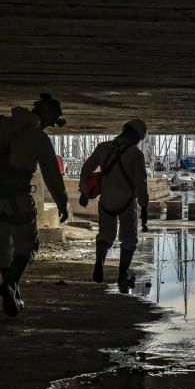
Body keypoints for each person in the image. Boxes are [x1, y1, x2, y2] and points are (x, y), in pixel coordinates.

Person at [0, 93, 69, 317]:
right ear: (46, 118)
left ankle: (13, 293)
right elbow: (52, 175)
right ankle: (10, 284)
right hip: (19, 201)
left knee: (3, 247)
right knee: (27, 247)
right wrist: (62, 203)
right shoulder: (38, 138)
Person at [79, 119, 150, 290]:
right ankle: (122, 274)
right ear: (134, 136)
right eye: (138, 139)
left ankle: (99, 263)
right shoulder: (135, 154)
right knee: (129, 240)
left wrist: (83, 192)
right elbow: (141, 183)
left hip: (106, 201)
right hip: (127, 203)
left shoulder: (103, 148)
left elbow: (86, 169)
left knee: (105, 236)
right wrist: (144, 206)